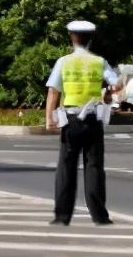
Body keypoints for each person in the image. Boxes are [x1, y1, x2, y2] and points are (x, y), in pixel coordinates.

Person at [45, 20, 120, 226]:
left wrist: (49, 118)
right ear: (91, 39)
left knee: (66, 168)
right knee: (94, 166)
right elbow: (117, 83)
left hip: (70, 120)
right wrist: (107, 95)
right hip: (94, 119)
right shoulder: (99, 62)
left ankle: (62, 217)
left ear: (71, 37)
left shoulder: (63, 62)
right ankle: (99, 216)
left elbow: (53, 90)